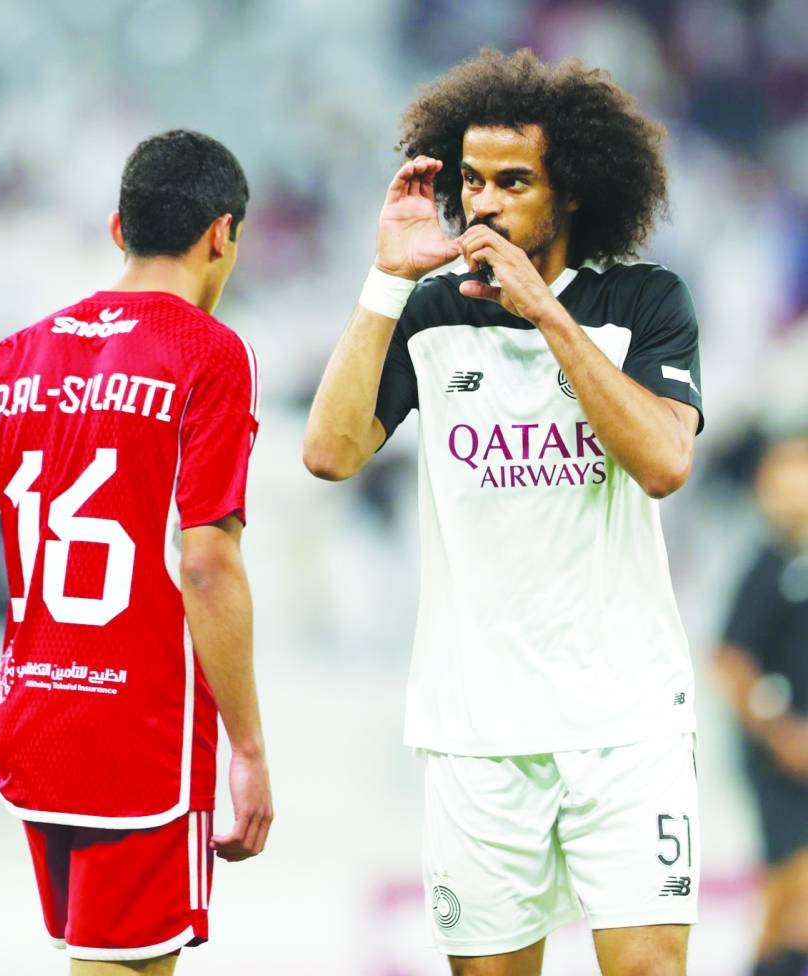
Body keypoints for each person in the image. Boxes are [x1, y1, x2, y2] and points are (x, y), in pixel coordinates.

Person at [304, 49, 703, 976]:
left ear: (573, 191)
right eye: (473, 180)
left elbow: (664, 462)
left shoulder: (645, 302)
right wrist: (385, 279)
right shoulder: (429, 313)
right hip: (477, 730)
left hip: (627, 720)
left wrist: (546, 316)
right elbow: (329, 452)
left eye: (514, 182)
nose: (484, 203)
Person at [0, 129, 273, 975]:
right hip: (140, 737)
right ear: (222, 235)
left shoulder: (16, 356)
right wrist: (248, 748)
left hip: (39, 721)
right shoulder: (210, 353)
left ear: (117, 230)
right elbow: (206, 560)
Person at [713, 433, 808, 976]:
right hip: (783, 762)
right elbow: (729, 659)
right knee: (791, 897)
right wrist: (778, 731)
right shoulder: (767, 565)